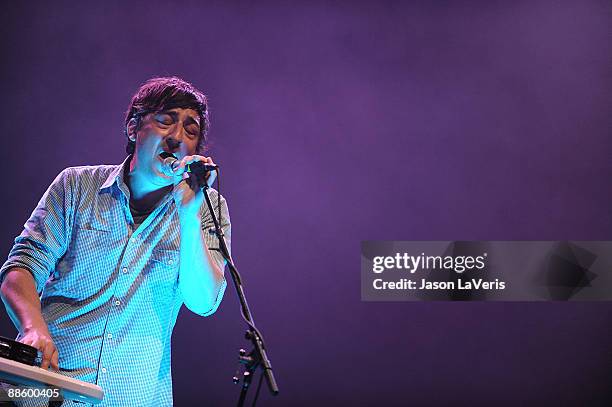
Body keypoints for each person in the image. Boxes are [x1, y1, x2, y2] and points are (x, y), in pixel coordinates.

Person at [0, 77, 230, 406]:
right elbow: (19, 269)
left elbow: (203, 301)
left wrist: (190, 214)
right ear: (133, 128)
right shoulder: (77, 186)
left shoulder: (209, 209)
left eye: (190, 130)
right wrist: (33, 327)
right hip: (45, 392)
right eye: (165, 120)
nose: (177, 137)